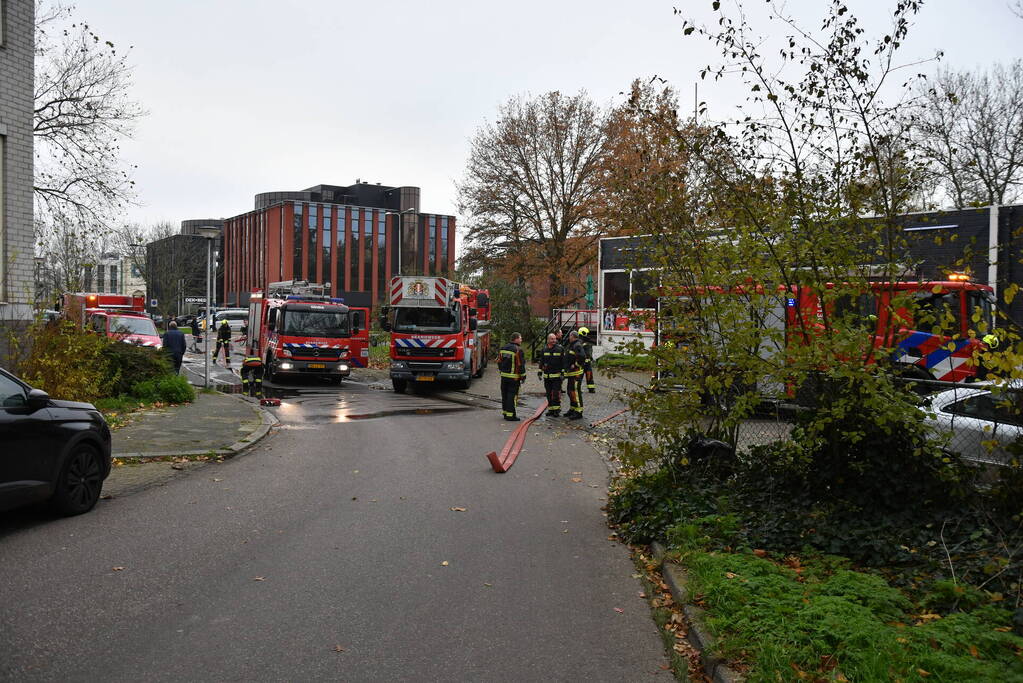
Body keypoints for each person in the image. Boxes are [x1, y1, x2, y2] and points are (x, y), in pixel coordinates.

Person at [498, 332, 527, 421]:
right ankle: (511, 415)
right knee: (512, 396)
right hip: (514, 378)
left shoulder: (503, 348)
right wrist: (523, 376)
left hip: (504, 376)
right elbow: (521, 365)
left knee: (505, 395)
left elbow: (499, 361)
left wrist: (501, 371)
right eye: (520, 338)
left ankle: (505, 413)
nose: (521, 340)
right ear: (516, 339)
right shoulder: (518, 350)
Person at [537, 332, 565, 417]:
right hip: (547, 376)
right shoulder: (544, 349)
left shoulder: (560, 349)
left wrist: (563, 373)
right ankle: (551, 409)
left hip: (556, 376)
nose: (554, 340)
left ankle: (557, 410)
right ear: (548, 340)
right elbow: (541, 361)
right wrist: (539, 372)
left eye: (555, 339)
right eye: (552, 339)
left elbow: (563, 362)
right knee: (549, 393)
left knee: (556, 393)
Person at [562, 330, 585, 420]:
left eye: (570, 336)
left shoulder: (577, 345)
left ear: (573, 336)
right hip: (571, 373)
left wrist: (575, 365)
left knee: (575, 391)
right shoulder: (572, 345)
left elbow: (582, 357)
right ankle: (573, 408)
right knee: (569, 391)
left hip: (576, 374)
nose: (568, 337)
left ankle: (578, 411)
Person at [578, 326, 596, 393]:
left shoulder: (585, 341)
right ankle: (578, 388)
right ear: (583, 333)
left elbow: (588, 352)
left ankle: (591, 388)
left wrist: (590, 358)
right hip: (582, 363)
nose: (588, 335)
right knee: (580, 377)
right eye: (587, 333)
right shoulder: (579, 342)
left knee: (589, 376)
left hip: (587, 363)